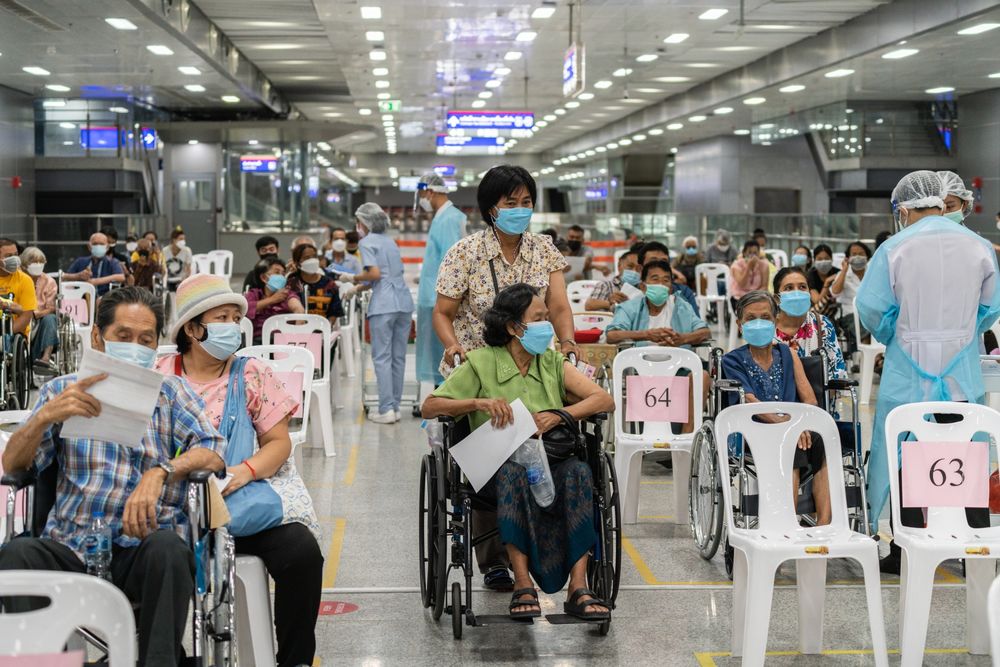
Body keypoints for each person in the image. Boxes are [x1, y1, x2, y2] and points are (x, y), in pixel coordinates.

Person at [0, 287, 227, 666]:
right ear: (97, 336)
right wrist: (44, 418)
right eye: (123, 336)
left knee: (170, 550)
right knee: (16, 554)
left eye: (146, 340)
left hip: (144, 547)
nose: (135, 347)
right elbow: (13, 465)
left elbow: (213, 448)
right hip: (72, 545)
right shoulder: (62, 391)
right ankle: (45, 661)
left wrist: (162, 472)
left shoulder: (171, 393)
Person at [421, 283, 615, 620]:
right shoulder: (480, 363)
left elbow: (604, 399)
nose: (547, 326)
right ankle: (522, 583)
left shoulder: (551, 362)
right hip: (499, 467)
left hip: (551, 459)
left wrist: (560, 415)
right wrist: (477, 403)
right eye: (538, 318)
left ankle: (578, 586)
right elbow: (430, 406)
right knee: (513, 476)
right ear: (513, 327)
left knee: (580, 473)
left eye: (546, 317)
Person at [157, 275, 323, 667]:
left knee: (301, 552)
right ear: (192, 328)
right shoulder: (159, 374)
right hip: (170, 509)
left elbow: (278, 443)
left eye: (236, 318)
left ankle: (295, 659)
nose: (233, 327)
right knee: (149, 558)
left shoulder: (251, 374)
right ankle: (167, 656)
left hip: (236, 507)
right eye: (222, 318)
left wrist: (244, 472)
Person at [433, 164, 577, 591]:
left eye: (526, 202)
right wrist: (452, 346)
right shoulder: (465, 253)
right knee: (492, 453)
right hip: (480, 367)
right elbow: (442, 313)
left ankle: (554, 541)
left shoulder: (544, 249)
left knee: (559, 438)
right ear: (490, 208)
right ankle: (495, 558)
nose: (520, 209)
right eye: (510, 202)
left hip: (536, 362)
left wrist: (568, 342)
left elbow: (560, 306)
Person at [857, 170, 1000, 572]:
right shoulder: (978, 246)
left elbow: (871, 307)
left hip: (908, 367)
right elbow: (991, 306)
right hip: (960, 369)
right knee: (965, 451)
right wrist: (964, 333)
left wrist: (897, 333)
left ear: (902, 209)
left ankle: (905, 548)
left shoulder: (895, 248)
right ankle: (973, 546)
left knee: (907, 452)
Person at [722, 290, 831, 525]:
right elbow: (749, 401)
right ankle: (786, 524)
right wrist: (788, 426)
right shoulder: (732, 360)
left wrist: (800, 425)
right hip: (753, 430)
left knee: (823, 439)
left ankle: (824, 525)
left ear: (775, 321)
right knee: (791, 442)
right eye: (751, 318)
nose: (758, 323)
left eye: (765, 317)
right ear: (740, 325)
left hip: (792, 426)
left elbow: (810, 400)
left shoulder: (788, 354)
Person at [339, 203, 414, 424]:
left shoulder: (366, 242)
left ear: (364, 223)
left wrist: (351, 278)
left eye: (358, 222)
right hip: (403, 303)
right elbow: (385, 275)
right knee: (398, 357)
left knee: (382, 358)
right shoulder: (391, 242)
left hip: (383, 305)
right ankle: (395, 408)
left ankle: (386, 409)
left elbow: (374, 273)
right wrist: (358, 288)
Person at [416, 171, 467, 387]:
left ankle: (446, 398)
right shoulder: (442, 217)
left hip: (440, 299)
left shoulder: (449, 219)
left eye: (422, 194)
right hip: (433, 295)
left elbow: (451, 262)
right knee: (437, 353)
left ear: (430, 191)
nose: (421, 199)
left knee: (444, 355)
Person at [605, 260, 710, 349]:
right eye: (655, 279)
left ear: (671, 288)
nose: (661, 284)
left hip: (678, 363)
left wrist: (683, 339)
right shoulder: (629, 307)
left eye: (666, 280)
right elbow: (611, 336)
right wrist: (646, 335)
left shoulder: (681, 306)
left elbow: (705, 332)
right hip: (639, 364)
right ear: (643, 286)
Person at [773, 267, 847, 381]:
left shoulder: (821, 324)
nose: (797, 293)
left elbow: (837, 372)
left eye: (802, 287)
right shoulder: (767, 330)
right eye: (789, 288)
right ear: (777, 299)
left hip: (818, 392)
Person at [245, 257, 304, 342]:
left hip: (284, 340)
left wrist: (295, 339)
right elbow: (245, 309)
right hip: (258, 340)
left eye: (283, 274)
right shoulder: (254, 294)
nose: (281, 277)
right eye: (277, 272)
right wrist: (272, 299)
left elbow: (299, 310)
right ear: (264, 277)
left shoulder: (287, 294)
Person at [285, 242, 344, 325]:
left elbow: (333, 313)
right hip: (296, 328)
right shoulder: (293, 283)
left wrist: (326, 329)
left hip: (321, 328)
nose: (312, 260)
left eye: (314, 256)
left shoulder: (329, 284)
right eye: (307, 257)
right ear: (297, 262)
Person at [21, 247, 57, 370]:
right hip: (21, 315)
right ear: (24, 264)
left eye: (40, 262)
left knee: (50, 318)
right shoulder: (19, 279)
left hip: (40, 317)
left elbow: (51, 308)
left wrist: (36, 314)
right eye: (33, 262)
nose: (37, 265)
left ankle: (46, 357)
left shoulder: (49, 281)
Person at [636, 241, 699, 310]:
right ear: (640, 268)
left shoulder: (683, 293)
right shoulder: (631, 294)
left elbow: (694, 316)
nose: (659, 267)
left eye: (664, 262)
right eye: (653, 262)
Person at [64, 232, 125, 296]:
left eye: (101, 244)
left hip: (105, 298)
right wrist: (78, 276)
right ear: (89, 246)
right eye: (95, 244)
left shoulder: (112, 262)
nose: (98, 246)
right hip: (82, 298)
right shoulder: (80, 261)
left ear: (107, 247)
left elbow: (121, 277)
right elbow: (65, 277)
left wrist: (95, 281)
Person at [0, 238, 36, 337]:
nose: (14, 259)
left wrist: (6, 333)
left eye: (16, 255)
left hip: (14, 332)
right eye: (9, 256)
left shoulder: (25, 280)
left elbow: (26, 316)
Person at [829, 241, 871, 317]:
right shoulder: (843, 274)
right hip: (849, 314)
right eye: (854, 254)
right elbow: (835, 293)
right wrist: (844, 270)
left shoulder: (873, 272)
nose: (858, 257)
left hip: (870, 314)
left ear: (867, 257)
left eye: (861, 254)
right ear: (848, 258)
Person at [728, 240, 770, 311]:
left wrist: (755, 297)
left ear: (759, 253)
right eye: (749, 252)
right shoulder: (736, 265)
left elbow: (764, 286)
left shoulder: (764, 265)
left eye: (755, 253)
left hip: (757, 297)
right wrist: (748, 267)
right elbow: (742, 284)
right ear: (744, 253)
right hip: (739, 297)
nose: (752, 255)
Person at [162, 228, 192, 293]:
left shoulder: (187, 251)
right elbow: (162, 268)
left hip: (181, 280)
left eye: (184, 239)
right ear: (174, 240)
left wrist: (185, 281)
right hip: (168, 280)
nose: (183, 241)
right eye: (180, 239)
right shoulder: (165, 251)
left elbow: (188, 269)